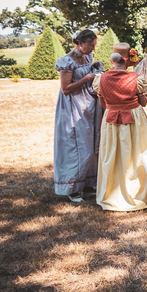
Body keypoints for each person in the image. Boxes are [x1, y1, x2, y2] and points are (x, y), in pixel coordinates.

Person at [93, 43, 147, 211]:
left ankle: (112, 194)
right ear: (128, 61)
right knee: (136, 152)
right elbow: (143, 103)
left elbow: (102, 104)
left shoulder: (101, 79)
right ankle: (137, 192)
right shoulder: (137, 79)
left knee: (112, 154)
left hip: (111, 119)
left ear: (112, 60)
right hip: (134, 118)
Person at [53, 29, 103, 202]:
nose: (92, 49)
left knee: (90, 145)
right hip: (73, 107)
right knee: (75, 146)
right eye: (90, 45)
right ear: (80, 43)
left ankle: (88, 185)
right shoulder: (66, 62)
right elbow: (66, 89)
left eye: (94, 46)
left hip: (88, 105)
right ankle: (72, 187)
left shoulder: (88, 58)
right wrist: (86, 78)